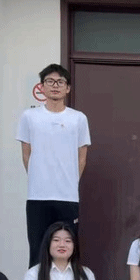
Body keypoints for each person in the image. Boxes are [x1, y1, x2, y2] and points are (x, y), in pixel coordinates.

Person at [16, 64, 91, 268]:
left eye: (60, 82)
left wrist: (69, 182)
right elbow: (26, 154)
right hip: (37, 196)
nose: (55, 85)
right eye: (50, 81)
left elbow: (82, 158)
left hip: (67, 197)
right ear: (41, 87)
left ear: (68, 88)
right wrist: (38, 178)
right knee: (37, 250)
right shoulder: (29, 117)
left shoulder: (78, 118)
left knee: (67, 250)